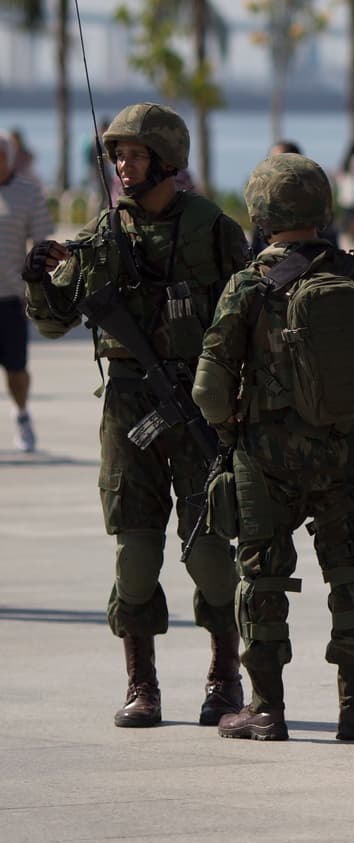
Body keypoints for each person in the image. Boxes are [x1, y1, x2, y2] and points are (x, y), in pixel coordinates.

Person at [22, 103, 250, 728]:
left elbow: (251, 319)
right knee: (136, 552)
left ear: (168, 160)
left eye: (137, 153)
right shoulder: (101, 237)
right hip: (129, 409)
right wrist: (40, 279)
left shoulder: (213, 230)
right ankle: (141, 683)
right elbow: (52, 323)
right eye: (118, 154)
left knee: (209, 551)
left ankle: (225, 677)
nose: (124, 164)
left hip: (200, 407)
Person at [192, 153, 354, 741]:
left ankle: (266, 708)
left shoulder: (249, 285)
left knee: (262, 577)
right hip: (343, 452)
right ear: (323, 207)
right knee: (351, 571)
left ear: (261, 214)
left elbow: (209, 388)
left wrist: (236, 424)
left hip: (264, 458)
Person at [1, 132, 53, 452]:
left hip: (10, 296)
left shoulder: (28, 193)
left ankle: (21, 414)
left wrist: (35, 293)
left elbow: (42, 246)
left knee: (16, 369)